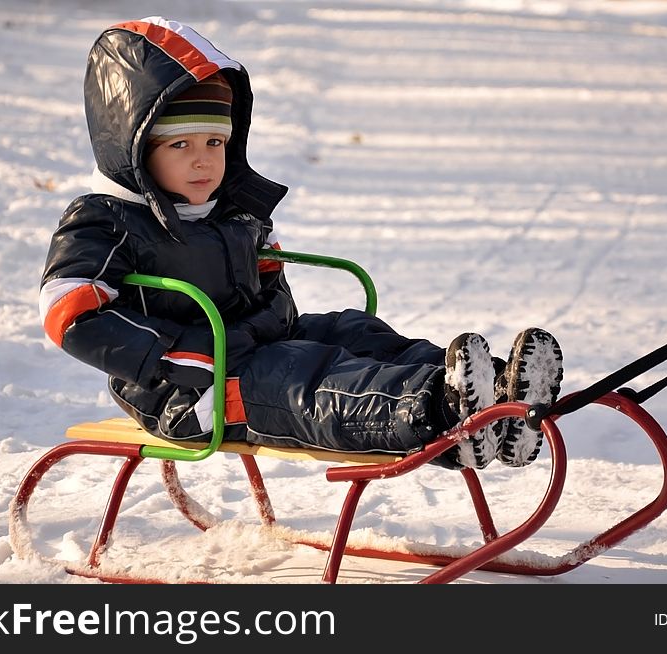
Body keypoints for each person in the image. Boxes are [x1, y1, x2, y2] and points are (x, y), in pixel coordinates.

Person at [39, 16, 564, 470]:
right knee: (301, 376)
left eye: (215, 143)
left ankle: (494, 392)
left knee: (350, 331)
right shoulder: (105, 219)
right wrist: (183, 355)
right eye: (180, 145)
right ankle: (442, 412)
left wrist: (267, 325)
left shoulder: (235, 210)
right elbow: (69, 311)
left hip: (249, 345)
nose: (203, 161)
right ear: (132, 149)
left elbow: (272, 282)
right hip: (187, 390)